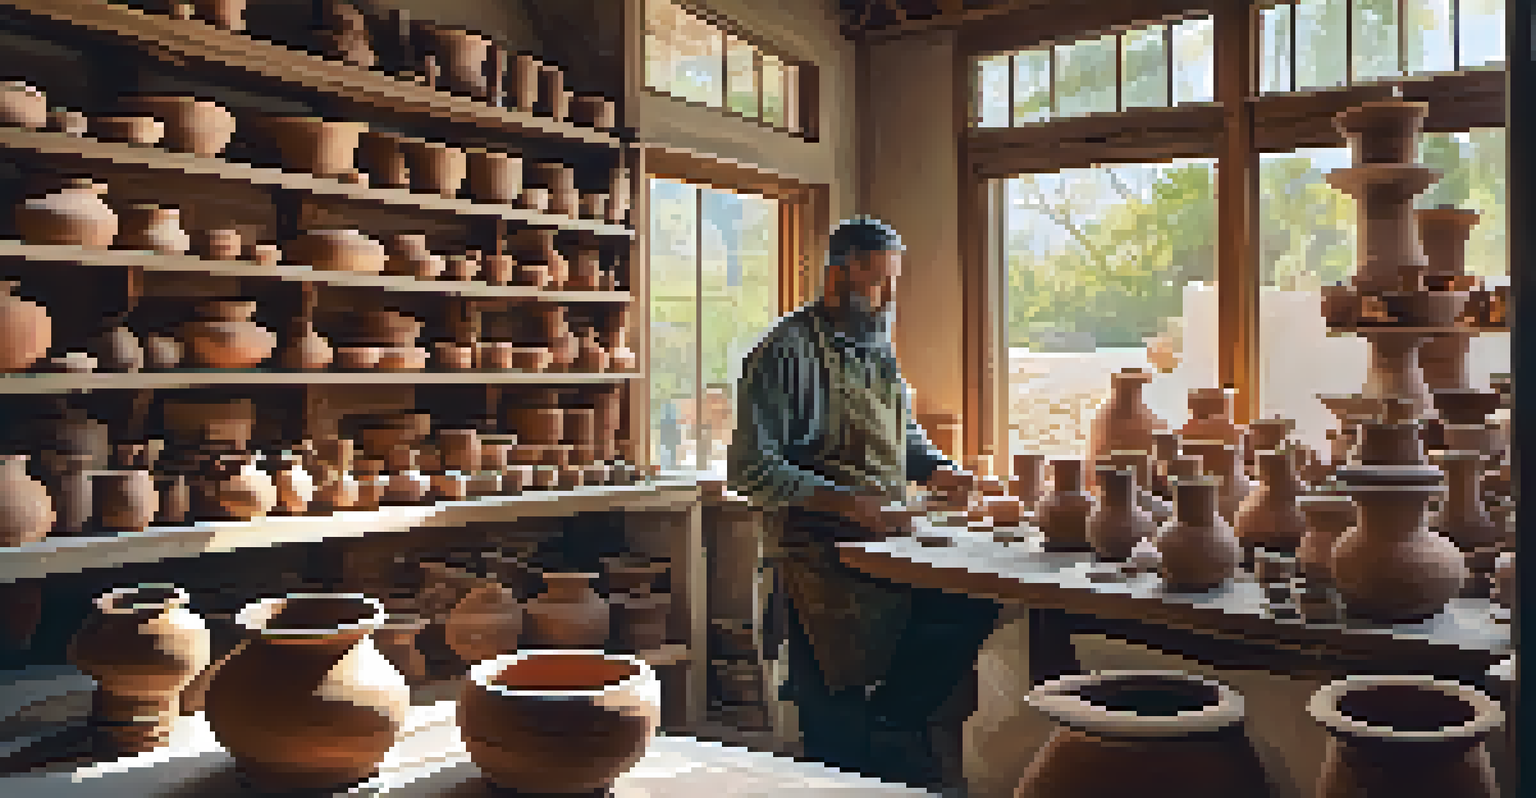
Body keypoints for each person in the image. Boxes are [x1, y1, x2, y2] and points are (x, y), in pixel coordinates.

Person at [726, 216, 1001, 794]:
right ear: (836, 279)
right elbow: (751, 472)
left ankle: (892, 728)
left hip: (882, 542)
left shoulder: (875, 347)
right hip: (816, 560)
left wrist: (941, 470)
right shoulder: (784, 356)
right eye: (878, 284)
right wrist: (849, 505)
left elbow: (904, 438)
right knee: (835, 736)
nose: (890, 299)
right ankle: (861, 760)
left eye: (894, 284)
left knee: (970, 605)